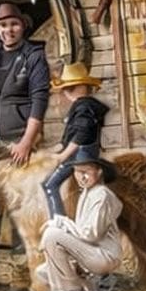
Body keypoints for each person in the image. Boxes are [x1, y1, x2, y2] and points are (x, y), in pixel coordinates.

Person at [0, 2, 51, 280]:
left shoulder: (34, 56)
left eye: (14, 24)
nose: (9, 30)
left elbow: (40, 98)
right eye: (3, 25)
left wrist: (28, 140)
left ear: (23, 25)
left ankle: (20, 267)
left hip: (20, 143)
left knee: (19, 203)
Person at [37, 150, 122, 291]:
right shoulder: (87, 192)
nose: (81, 177)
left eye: (86, 171)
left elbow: (91, 235)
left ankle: (72, 290)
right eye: (77, 171)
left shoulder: (101, 195)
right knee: (42, 272)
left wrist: (64, 224)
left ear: (99, 171)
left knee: (52, 234)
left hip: (103, 256)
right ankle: (87, 285)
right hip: (90, 252)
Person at [40, 62, 109, 218]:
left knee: (50, 185)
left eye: (68, 88)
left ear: (78, 87)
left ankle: (58, 221)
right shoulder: (86, 106)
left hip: (80, 157)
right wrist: (50, 151)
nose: (65, 92)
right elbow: (69, 138)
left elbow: (81, 135)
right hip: (85, 153)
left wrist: (63, 155)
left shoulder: (83, 107)